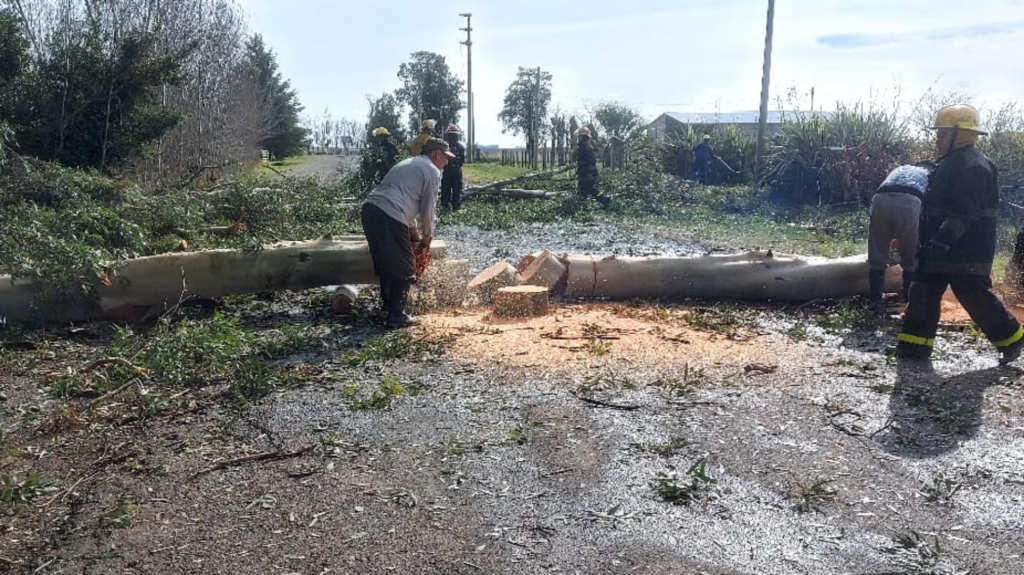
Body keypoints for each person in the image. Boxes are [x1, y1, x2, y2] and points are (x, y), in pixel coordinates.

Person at [896, 104, 1024, 364]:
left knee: (973, 295)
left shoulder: (973, 165)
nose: (938, 139)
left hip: (967, 248)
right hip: (938, 246)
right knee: (923, 292)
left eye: (942, 134)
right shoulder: (949, 163)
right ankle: (913, 350)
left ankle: (1012, 338)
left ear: (960, 135)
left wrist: (944, 239)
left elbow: (966, 211)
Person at [361, 138, 453, 328]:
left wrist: (414, 234)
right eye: (445, 157)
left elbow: (404, 199)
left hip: (371, 209)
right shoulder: (432, 170)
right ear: (437, 154)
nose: (447, 162)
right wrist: (427, 238)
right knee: (405, 266)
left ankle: (387, 308)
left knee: (387, 263)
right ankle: (397, 315)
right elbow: (428, 208)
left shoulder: (409, 164)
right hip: (389, 213)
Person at [867, 164, 930, 306]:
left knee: (877, 247)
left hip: (880, 198)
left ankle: (874, 300)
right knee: (910, 252)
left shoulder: (901, 168)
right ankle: (909, 300)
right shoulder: (930, 175)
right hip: (910, 201)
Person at [576, 127, 609, 208]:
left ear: (584, 137)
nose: (578, 138)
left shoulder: (587, 148)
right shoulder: (583, 147)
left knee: (588, 190)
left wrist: (589, 173)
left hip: (588, 174)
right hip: (583, 173)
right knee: (584, 190)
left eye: (580, 136)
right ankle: (582, 205)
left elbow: (592, 161)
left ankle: (604, 200)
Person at [441, 124, 466, 211]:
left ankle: (446, 205)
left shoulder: (445, 147)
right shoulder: (460, 146)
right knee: (455, 189)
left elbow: (461, 161)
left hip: (448, 170)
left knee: (448, 188)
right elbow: (462, 161)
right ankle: (455, 206)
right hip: (455, 170)